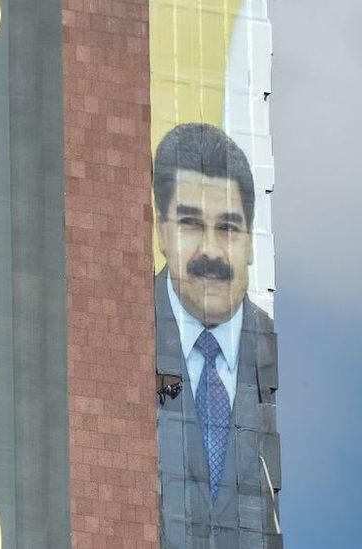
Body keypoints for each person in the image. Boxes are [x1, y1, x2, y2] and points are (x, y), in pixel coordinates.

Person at [153, 123, 280, 546]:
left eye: (227, 228)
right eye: (190, 223)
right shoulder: (117, 336)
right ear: (162, 231)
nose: (210, 250)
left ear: (249, 241)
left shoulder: (281, 352)